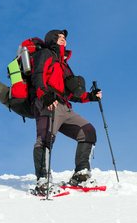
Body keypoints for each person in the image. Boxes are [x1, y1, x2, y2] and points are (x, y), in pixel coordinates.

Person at [30, 29, 102, 195]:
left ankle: (81, 175)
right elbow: (38, 76)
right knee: (45, 139)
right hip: (46, 103)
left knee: (87, 130)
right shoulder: (45, 54)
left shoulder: (63, 63)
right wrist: (45, 96)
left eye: (64, 38)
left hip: (63, 105)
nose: (63, 40)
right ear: (52, 39)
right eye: (59, 37)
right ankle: (43, 182)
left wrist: (90, 96)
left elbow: (70, 92)